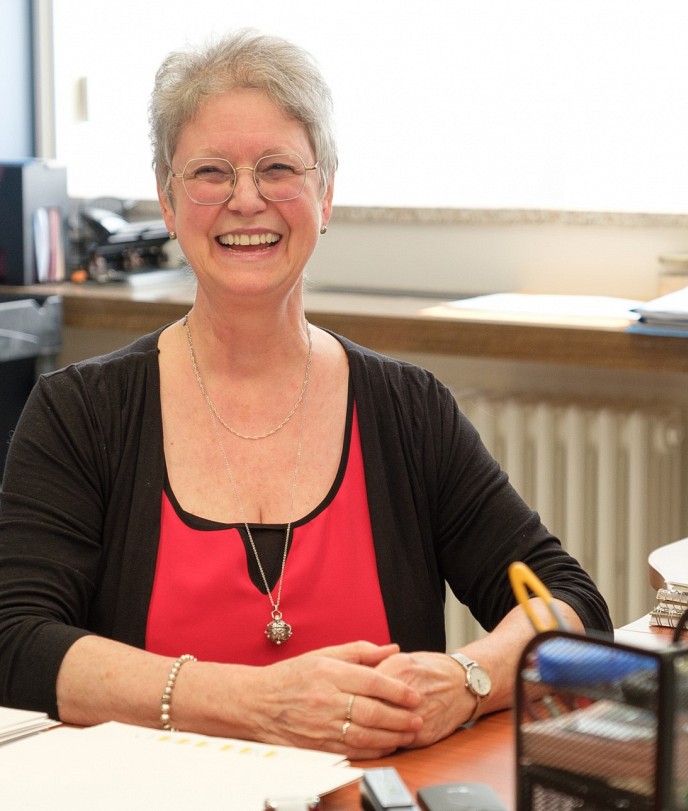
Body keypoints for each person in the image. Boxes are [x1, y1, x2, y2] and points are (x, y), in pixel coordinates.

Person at [0, 29, 612, 758]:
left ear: (325, 195)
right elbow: (15, 641)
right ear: (167, 201)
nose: (246, 199)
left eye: (278, 168)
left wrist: (467, 678)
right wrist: (254, 704)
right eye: (210, 172)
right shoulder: (80, 413)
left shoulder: (408, 410)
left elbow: (571, 603)